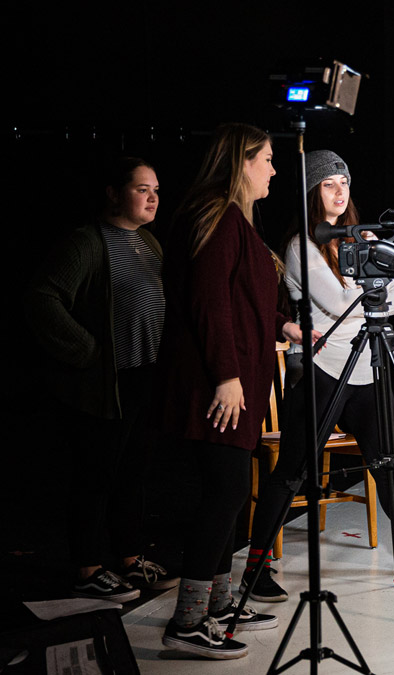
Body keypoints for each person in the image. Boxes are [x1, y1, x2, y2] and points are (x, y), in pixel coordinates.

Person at [240, 150, 394, 603]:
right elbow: (343, 304)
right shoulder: (299, 247)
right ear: (313, 192)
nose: (340, 191)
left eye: (345, 182)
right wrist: (370, 281)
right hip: (321, 370)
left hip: (366, 366)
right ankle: (255, 567)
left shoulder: (356, 239)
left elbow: (392, 305)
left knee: (387, 462)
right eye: (330, 184)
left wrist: (369, 275)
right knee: (289, 472)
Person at [156, 123, 310, 659]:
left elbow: (243, 299)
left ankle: (218, 606)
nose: (273, 168)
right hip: (216, 386)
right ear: (240, 162)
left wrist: (282, 325)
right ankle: (187, 622)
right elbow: (209, 303)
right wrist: (225, 376)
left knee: (226, 496)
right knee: (220, 496)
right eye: (266, 159)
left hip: (234, 382)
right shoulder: (217, 217)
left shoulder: (237, 223)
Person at [27, 157, 178, 602]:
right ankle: (88, 568)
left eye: (156, 190)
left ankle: (129, 559)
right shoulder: (86, 243)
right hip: (105, 384)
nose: (152, 197)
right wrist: (86, 350)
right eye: (141, 189)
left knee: (133, 472)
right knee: (96, 476)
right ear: (114, 192)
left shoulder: (149, 242)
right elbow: (42, 299)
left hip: (144, 377)